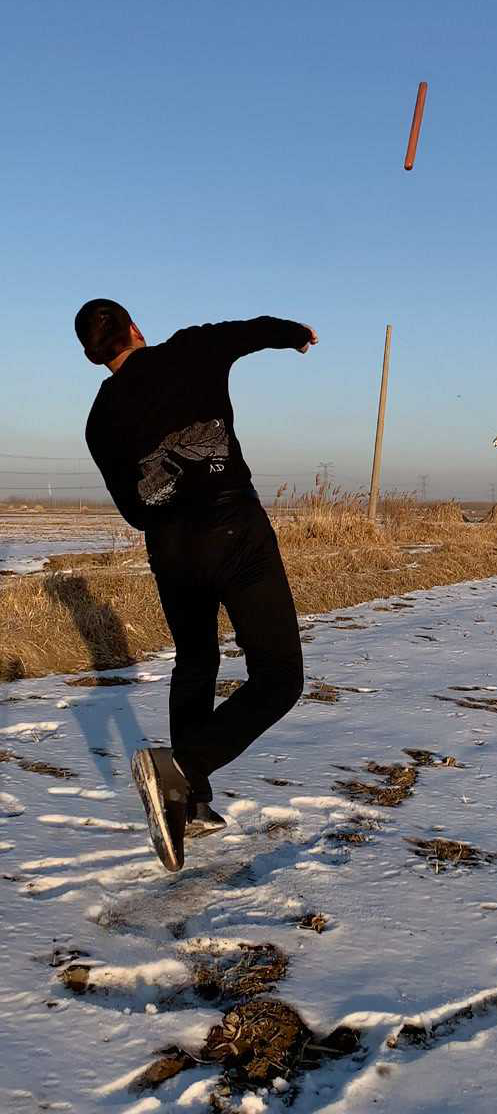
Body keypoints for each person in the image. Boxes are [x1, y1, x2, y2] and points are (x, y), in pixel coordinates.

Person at [75, 299, 317, 872]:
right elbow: (253, 330)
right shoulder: (189, 348)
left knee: (196, 660)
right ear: (135, 328)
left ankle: (189, 805)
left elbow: (133, 511)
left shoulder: (98, 420)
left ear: (92, 357)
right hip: (233, 528)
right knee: (279, 677)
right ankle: (179, 769)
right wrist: (296, 334)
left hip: (170, 547)